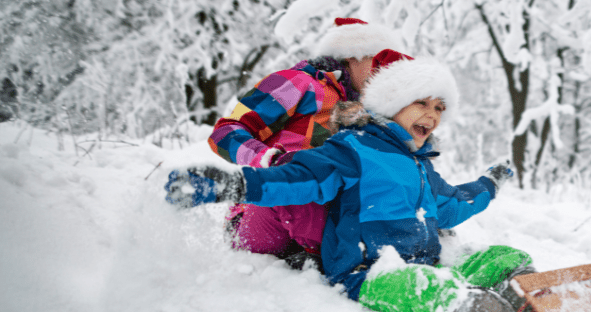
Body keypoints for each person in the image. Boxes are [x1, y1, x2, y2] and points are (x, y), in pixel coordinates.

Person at [167, 49, 535, 311]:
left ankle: (528, 298)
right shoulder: (351, 149)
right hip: (371, 274)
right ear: (392, 103)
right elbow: (299, 179)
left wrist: (490, 183)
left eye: (439, 108)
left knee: (506, 257)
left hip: (427, 266)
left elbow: (454, 203)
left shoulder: (420, 165)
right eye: (422, 103)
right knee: (432, 289)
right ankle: (476, 307)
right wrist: (235, 185)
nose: (433, 115)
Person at [207, 17, 403, 266]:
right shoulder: (299, 83)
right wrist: (272, 160)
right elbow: (225, 133)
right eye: (377, 63)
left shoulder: (366, 113)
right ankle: (345, 260)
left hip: (322, 216)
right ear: (352, 56)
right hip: (266, 211)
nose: (382, 74)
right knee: (302, 181)